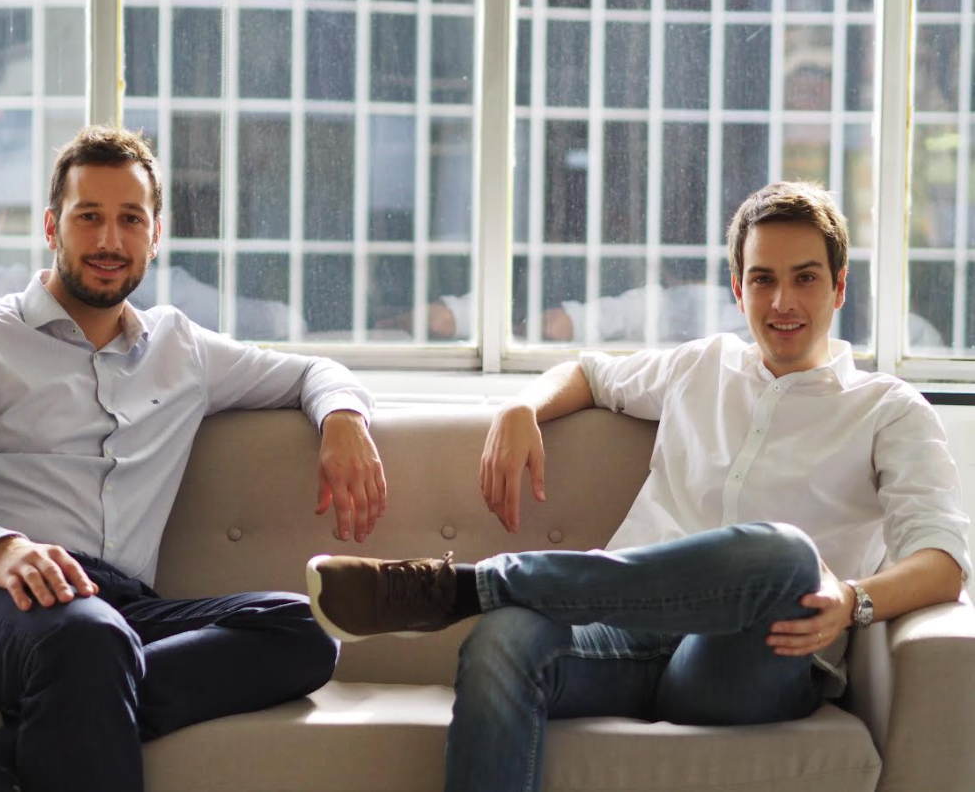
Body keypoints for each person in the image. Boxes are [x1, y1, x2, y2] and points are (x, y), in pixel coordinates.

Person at [304, 181, 971, 792]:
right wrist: (520, 408)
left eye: (805, 278)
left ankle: (472, 585)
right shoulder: (699, 366)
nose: (782, 302)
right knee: (502, 637)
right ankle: (492, 595)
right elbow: (590, 374)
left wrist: (852, 600)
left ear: (840, 287)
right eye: (762, 279)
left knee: (787, 554)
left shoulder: (888, 409)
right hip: (618, 635)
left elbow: (943, 562)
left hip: (749, 659)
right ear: (737, 289)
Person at [0, 125, 387, 792]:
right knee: (89, 640)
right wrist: (2, 549)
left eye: (130, 219)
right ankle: (61, 708)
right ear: (51, 226)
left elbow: (312, 371)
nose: (109, 241)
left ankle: (4, 753)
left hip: (111, 607)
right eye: (88, 216)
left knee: (303, 630)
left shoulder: (182, 349)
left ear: (155, 235)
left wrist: (344, 418)